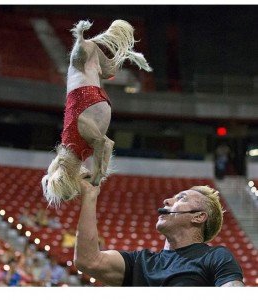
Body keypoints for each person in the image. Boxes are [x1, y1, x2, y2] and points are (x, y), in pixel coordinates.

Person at [42, 19, 152, 207]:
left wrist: (96, 178)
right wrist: (95, 176)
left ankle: (79, 36)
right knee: (109, 70)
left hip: (85, 96)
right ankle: (114, 49)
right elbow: (105, 144)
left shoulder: (73, 143)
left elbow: (104, 143)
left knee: (83, 62)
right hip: (92, 96)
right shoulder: (77, 153)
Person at [74, 179, 245, 287]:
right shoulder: (139, 263)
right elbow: (87, 260)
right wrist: (89, 196)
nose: (167, 201)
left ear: (199, 217)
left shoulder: (215, 257)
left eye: (181, 198)